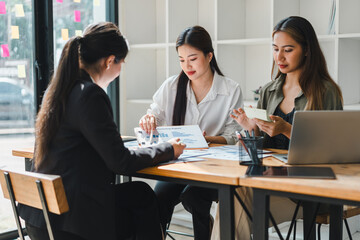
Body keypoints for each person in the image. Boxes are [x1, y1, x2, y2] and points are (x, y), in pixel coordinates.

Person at [18, 22, 185, 240]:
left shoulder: (58, 90)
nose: (120, 70)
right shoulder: (90, 95)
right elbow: (120, 162)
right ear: (109, 62)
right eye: (121, 63)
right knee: (142, 197)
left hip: (41, 220)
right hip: (72, 225)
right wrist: (169, 149)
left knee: (137, 196)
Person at [211, 16, 343, 240]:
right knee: (233, 194)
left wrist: (287, 129)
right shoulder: (269, 91)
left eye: (288, 50)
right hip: (269, 184)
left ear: (307, 50)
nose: (279, 57)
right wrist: (251, 130)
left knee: (233, 202)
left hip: (308, 192)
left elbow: (332, 151)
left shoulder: (325, 91)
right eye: (275, 49)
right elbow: (262, 147)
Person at [139, 26, 243, 240]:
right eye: (181, 60)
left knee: (194, 197)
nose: (187, 66)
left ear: (209, 55)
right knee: (159, 198)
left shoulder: (231, 89)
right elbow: (154, 115)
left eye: (193, 58)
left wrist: (208, 140)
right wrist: (148, 119)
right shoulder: (172, 86)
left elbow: (233, 136)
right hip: (178, 164)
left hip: (212, 168)